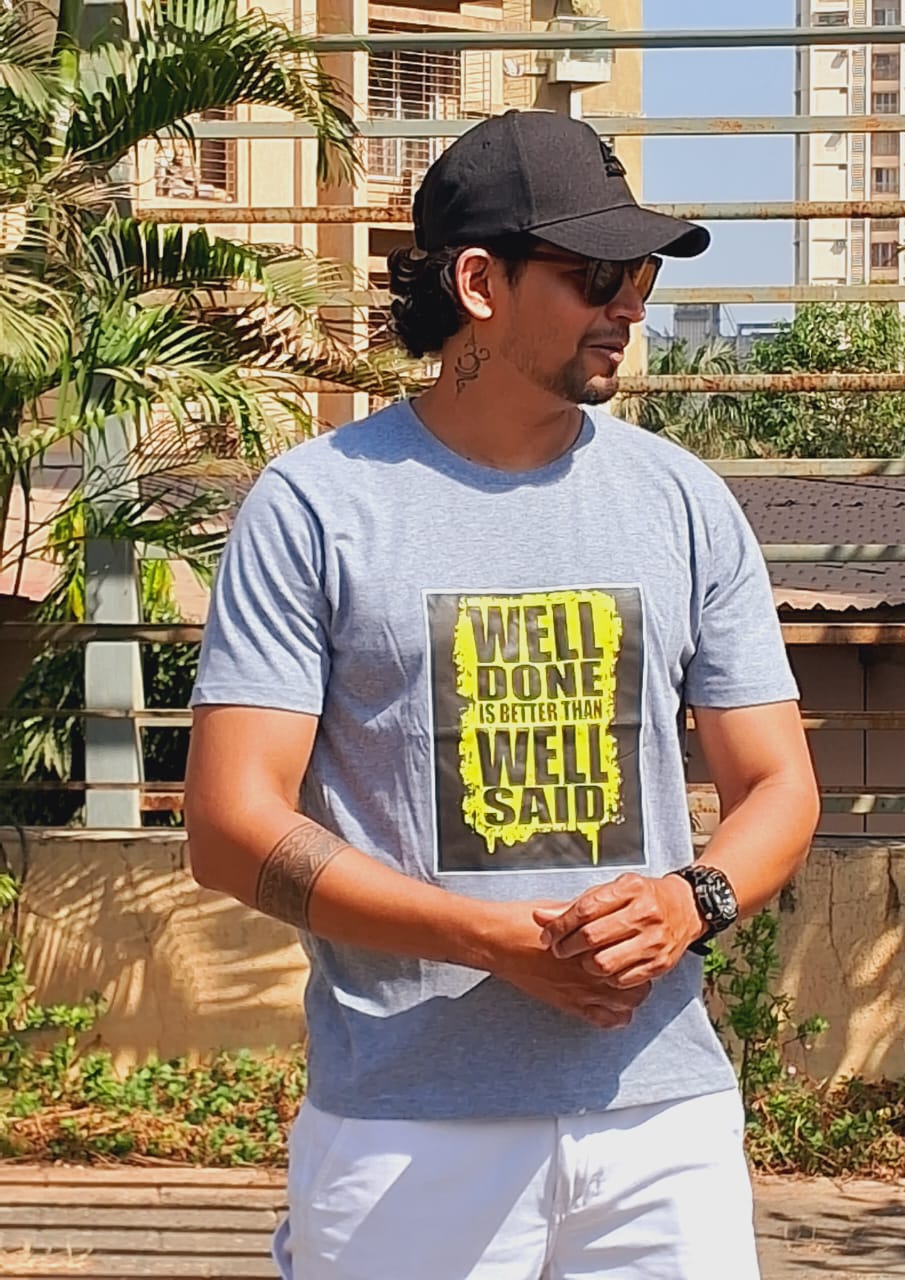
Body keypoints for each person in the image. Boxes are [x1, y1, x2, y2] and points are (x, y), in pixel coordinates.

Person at [185, 109, 820, 1280]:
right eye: (596, 276)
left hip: (659, 1121)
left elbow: (780, 782)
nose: (630, 306)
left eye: (641, 275)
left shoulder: (683, 501)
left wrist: (691, 900)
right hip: (405, 1128)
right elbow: (229, 826)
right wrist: (492, 939)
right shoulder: (318, 506)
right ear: (479, 283)